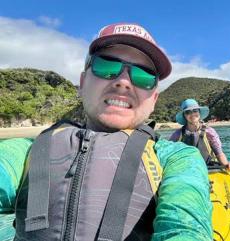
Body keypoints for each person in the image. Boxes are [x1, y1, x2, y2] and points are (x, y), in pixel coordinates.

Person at [0, 23, 212, 241]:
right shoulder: (26, 151)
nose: (123, 82)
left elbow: (186, 228)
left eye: (143, 76)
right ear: (82, 83)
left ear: (154, 100)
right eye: (106, 66)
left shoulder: (176, 158)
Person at [169, 99, 230, 171]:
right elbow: (169, 154)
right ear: (184, 116)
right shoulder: (177, 134)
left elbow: (219, 153)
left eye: (195, 111)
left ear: (199, 112)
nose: (192, 114)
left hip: (209, 169)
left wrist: (227, 164)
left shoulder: (209, 132)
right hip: (187, 171)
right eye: (188, 112)